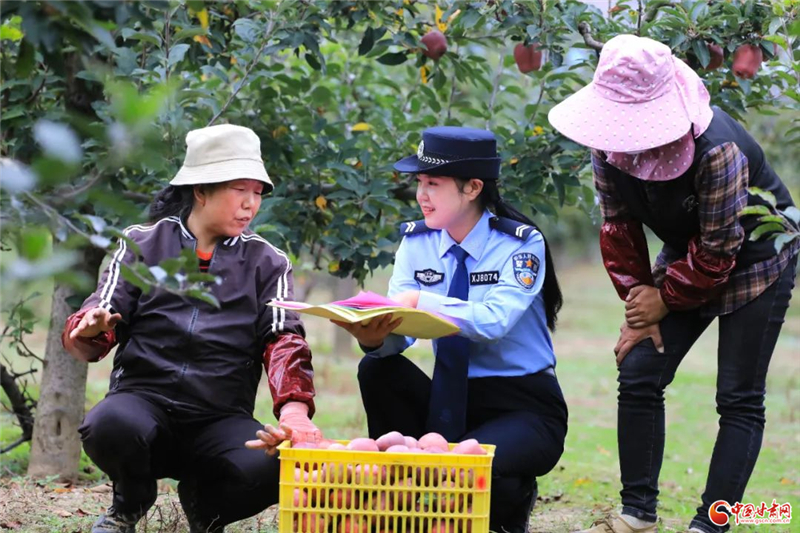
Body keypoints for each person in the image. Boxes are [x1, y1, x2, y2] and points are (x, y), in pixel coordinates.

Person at [547, 34, 799, 533]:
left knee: (738, 397)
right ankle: (637, 513)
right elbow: (618, 226)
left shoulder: (716, 150)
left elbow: (720, 249)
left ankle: (712, 523)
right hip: (689, 253)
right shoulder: (607, 146)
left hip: (756, 257)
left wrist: (664, 299)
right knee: (639, 368)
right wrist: (639, 305)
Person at [62, 124, 321, 533]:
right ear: (201, 190)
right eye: (240, 190)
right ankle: (130, 501)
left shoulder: (268, 263)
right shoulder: (142, 244)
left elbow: (283, 338)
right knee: (108, 424)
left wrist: (294, 410)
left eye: (258, 192)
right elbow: (100, 316)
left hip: (220, 417)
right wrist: (90, 327)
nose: (250, 204)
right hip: (143, 404)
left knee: (279, 463)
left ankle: (205, 507)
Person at [333, 126, 569, 533]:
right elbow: (402, 329)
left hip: (522, 406)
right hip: (448, 399)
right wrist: (375, 339)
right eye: (420, 183)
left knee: (474, 470)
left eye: (434, 184)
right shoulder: (416, 242)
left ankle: (512, 499)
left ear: (473, 187)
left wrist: (420, 300)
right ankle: (397, 493)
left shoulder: (519, 245)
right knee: (378, 369)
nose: (421, 195)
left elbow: (493, 321)